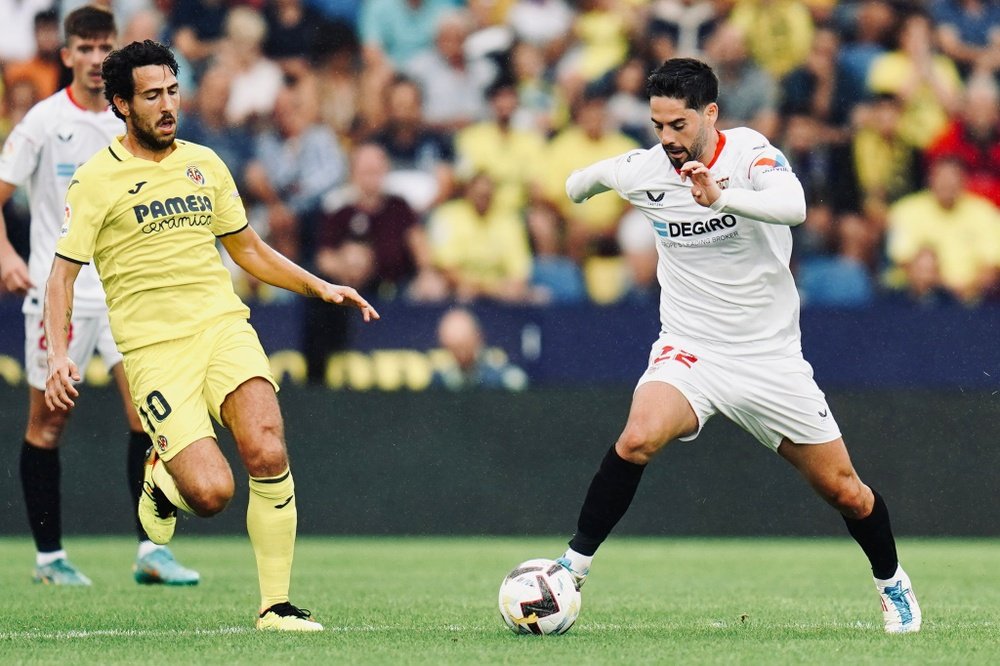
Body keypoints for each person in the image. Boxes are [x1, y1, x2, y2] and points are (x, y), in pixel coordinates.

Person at [553, 57, 922, 634]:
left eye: (679, 125)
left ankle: (891, 582)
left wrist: (720, 198)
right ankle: (569, 571)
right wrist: (586, 185)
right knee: (637, 437)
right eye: (658, 125)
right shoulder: (646, 168)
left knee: (846, 492)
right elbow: (580, 185)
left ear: (710, 114)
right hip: (690, 348)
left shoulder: (750, 153)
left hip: (769, 359)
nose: (668, 139)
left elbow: (794, 207)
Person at [43, 39, 379, 630]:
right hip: (154, 352)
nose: (168, 104)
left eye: (173, 90)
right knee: (212, 493)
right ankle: (160, 479)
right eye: (152, 95)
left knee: (268, 446)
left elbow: (246, 248)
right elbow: (60, 277)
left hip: (222, 328)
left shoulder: (205, 163)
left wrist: (319, 286)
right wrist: (58, 357)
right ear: (121, 104)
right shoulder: (97, 180)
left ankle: (275, 605)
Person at [0, 6, 199, 587]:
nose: (93, 59)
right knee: (48, 425)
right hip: (59, 294)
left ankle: (151, 550)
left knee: (148, 419)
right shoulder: (42, 121)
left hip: (127, 297)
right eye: (83, 49)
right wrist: (8, 256)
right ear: (66, 56)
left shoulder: (130, 120)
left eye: (102, 48)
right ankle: (48, 559)